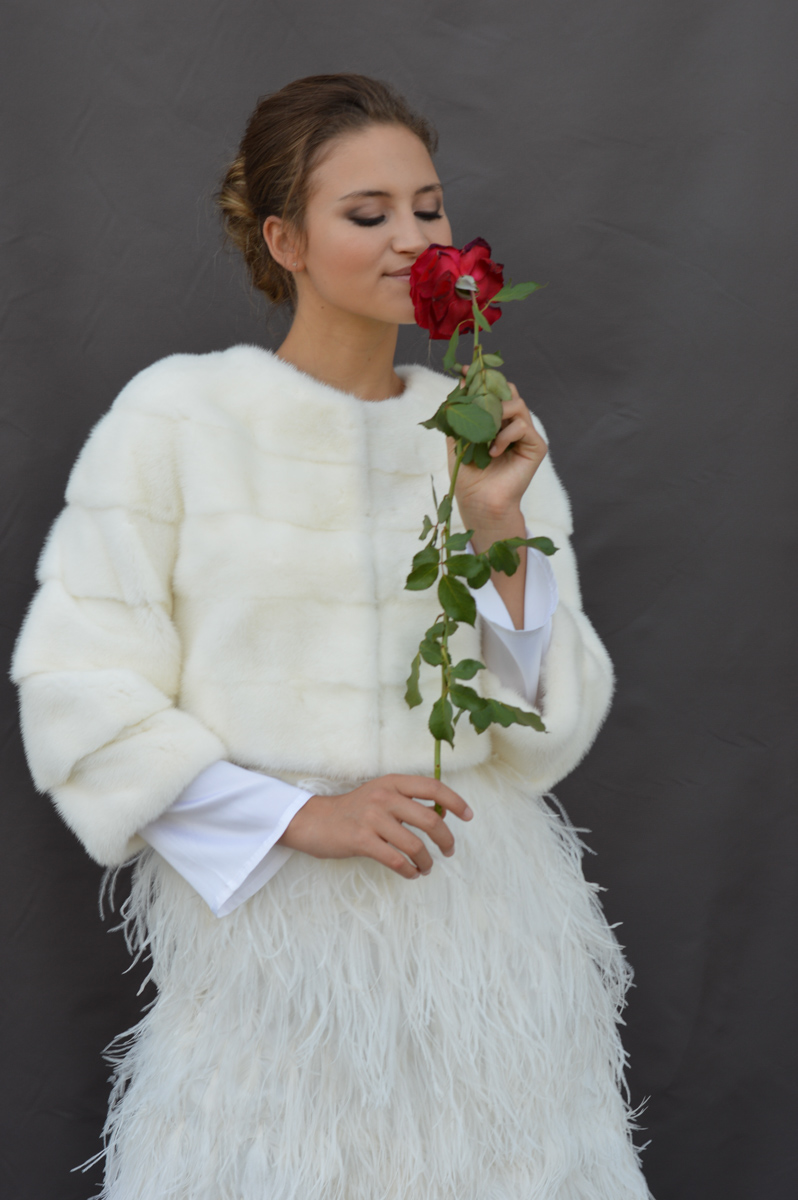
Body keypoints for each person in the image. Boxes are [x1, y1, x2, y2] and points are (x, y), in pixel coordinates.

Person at [10, 74, 651, 1199]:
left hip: (482, 934)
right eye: (368, 213)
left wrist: (496, 529)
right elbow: (77, 690)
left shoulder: (480, 425)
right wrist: (303, 817)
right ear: (284, 240)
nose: (414, 238)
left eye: (429, 207)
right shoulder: (179, 419)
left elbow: (542, 726)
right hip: (279, 952)